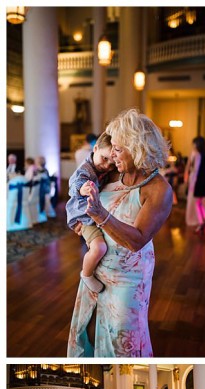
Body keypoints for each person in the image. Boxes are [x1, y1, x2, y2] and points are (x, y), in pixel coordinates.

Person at [68, 108, 174, 357]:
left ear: (138, 148)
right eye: (111, 148)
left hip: (128, 279)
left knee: (121, 340)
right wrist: (84, 226)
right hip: (97, 272)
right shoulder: (112, 173)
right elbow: (77, 202)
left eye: (118, 149)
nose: (112, 155)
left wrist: (99, 215)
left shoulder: (159, 190)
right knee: (89, 334)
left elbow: (137, 240)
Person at [67, 132, 117, 293]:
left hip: (93, 214)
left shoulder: (104, 168)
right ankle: (86, 274)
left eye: (112, 162)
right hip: (83, 216)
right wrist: (82, 189)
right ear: (95, 148)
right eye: (104, 158)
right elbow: (75, 182)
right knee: (99, 247)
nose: (107, 165)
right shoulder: (86, 169)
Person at [184, 136, 205, 232]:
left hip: (198, 182)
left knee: (197, 203)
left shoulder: (197, 154)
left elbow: (196, 170)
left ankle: (201, 222)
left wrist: (192, 184)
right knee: (202, 202)